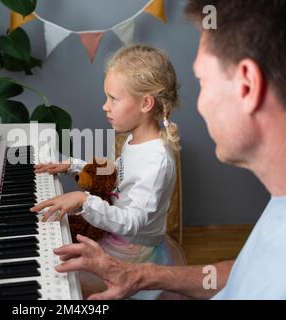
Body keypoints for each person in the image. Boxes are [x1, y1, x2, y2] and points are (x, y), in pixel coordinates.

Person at [52, 0, 286, 300]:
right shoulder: (276, 211)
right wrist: (142, 276)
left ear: (247, 86)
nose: (198, 104)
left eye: (203, 81)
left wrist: (85, 200)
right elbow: (241, 272)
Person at [31, 44, 181, 298]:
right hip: (116, 235)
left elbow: (133, 222)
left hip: (132, 250)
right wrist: (74, 166)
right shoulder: (136, 139)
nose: (105, 106)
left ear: (145, 103)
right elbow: (118, 175)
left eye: (113, 98)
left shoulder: (156, 161)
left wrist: (84, 200)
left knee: (65, 277)